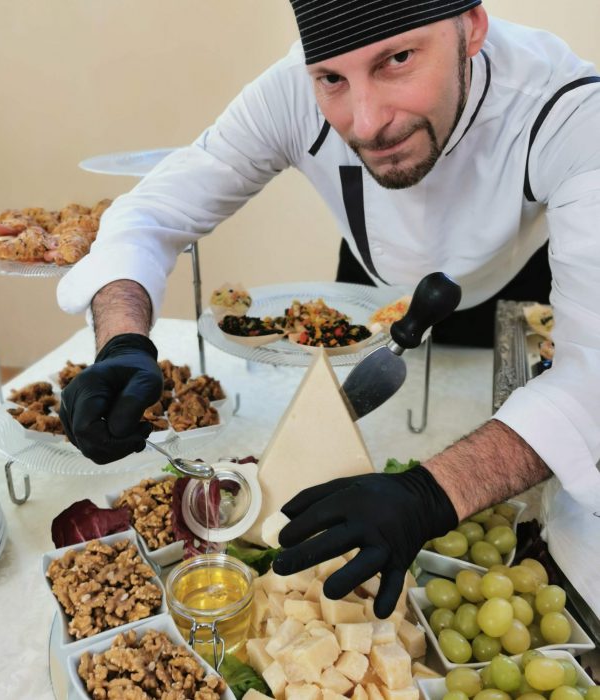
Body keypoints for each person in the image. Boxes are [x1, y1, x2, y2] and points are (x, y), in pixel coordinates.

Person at [57, 0, 600, 616]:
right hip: (375, 292)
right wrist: (122, 341)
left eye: (398, 59)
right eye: (332, 79)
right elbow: (151, 213)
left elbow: (593, 371)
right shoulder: (290, 91)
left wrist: (433, 493)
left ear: (471, 27)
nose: (367, 123)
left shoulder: (569, 110)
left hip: (515, 287)